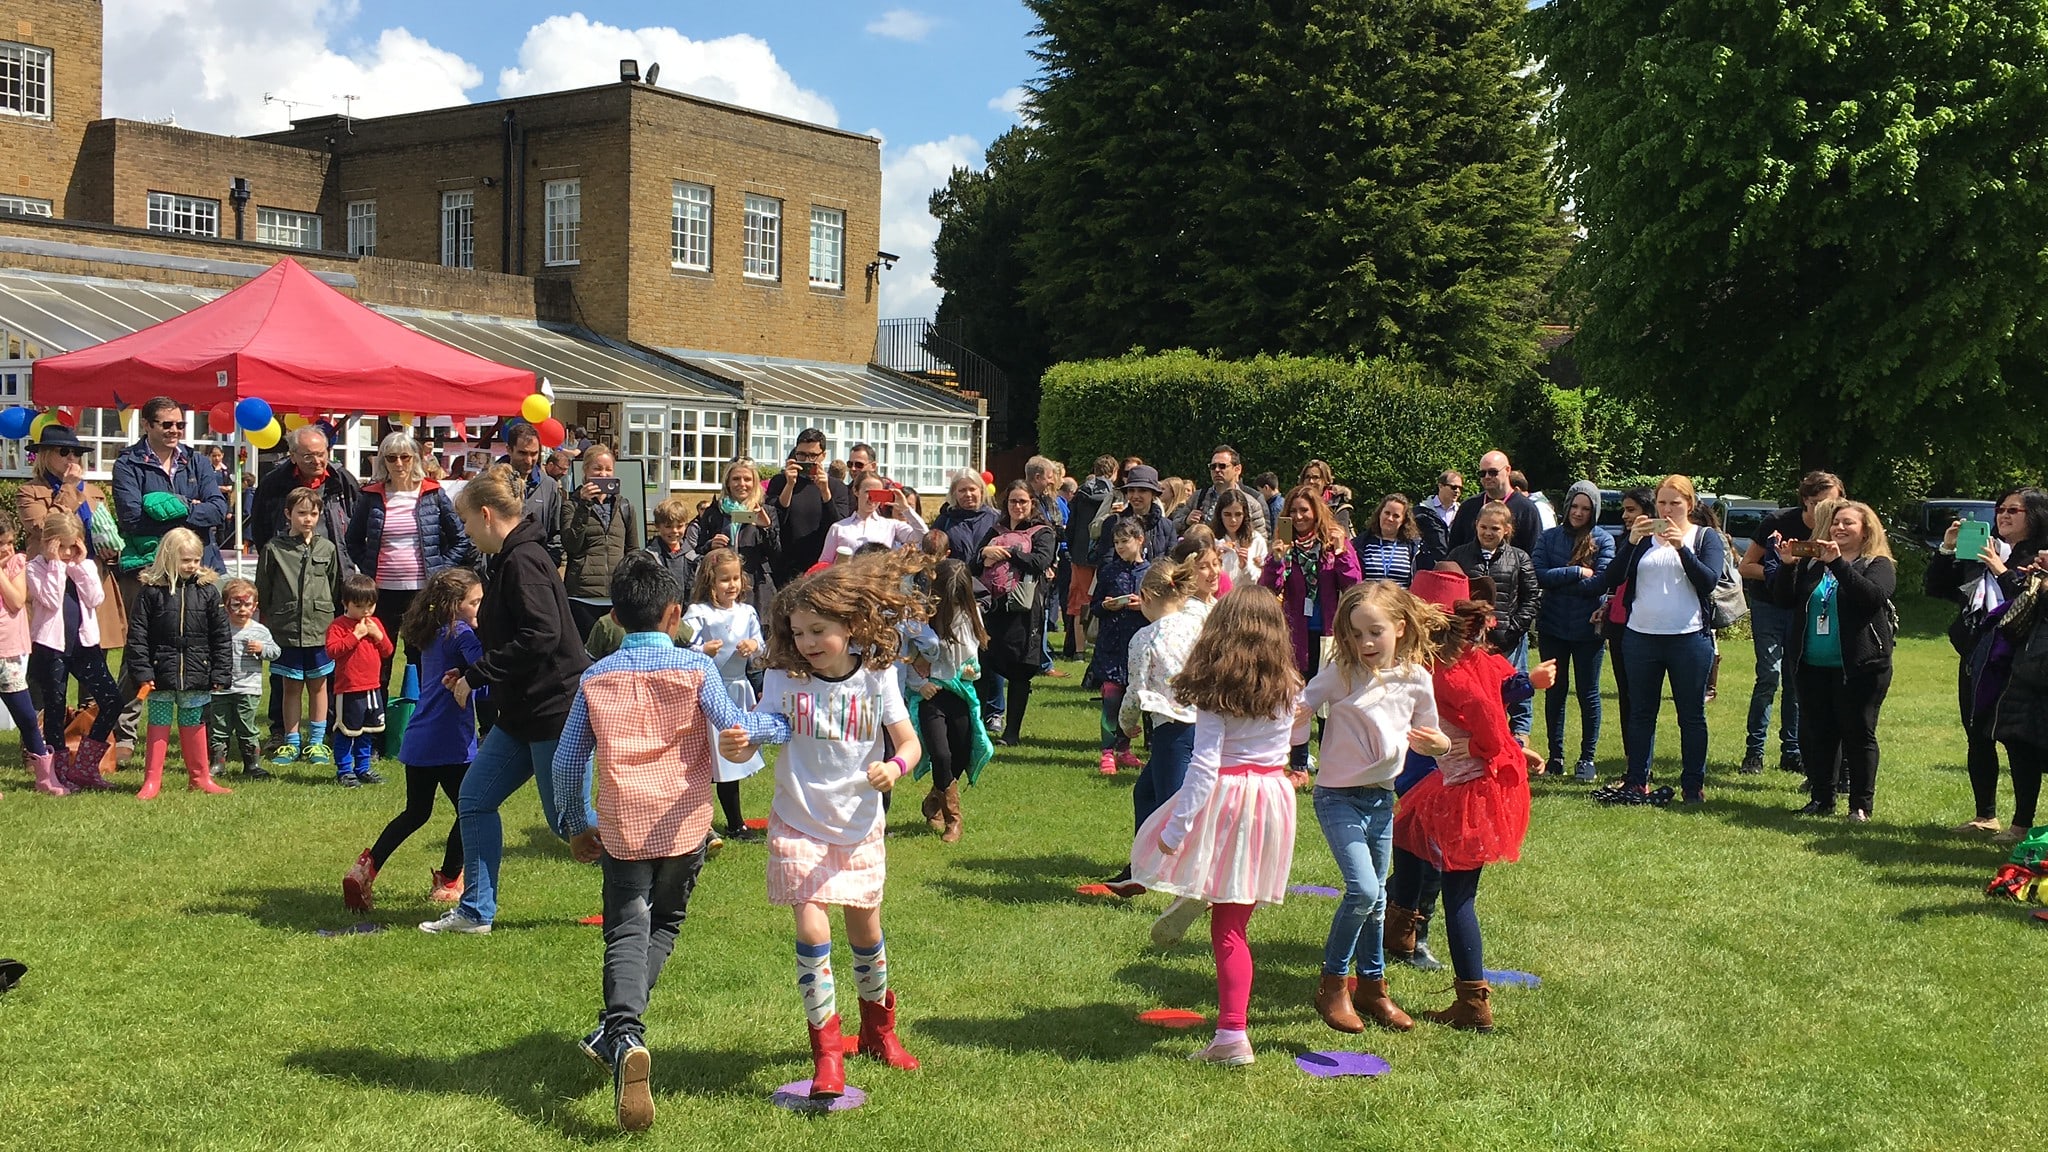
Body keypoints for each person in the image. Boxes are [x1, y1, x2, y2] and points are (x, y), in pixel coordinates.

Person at [552, 555, 793, 1132]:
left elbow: (566, 762)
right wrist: (780, 726)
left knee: (624, 930)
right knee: (665, 923)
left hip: (623, 828)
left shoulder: (594, 678)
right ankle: (620, 1031)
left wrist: (575, 823)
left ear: (614, 616)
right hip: (684, 826)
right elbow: (735, 725)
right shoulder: (696, 668)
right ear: (674, 614)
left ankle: (622, 1034)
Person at [718, 552, 926, 1100]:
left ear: (850, 624)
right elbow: (766, 726)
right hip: (798, 820)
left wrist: (895, 767)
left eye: (818, 630)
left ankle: (879, 1032)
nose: (807, 642)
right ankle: (828, 1055)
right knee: (813, 931)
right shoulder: (784, 679)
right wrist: (742, 740)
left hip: (858, 824)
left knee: (866, 934)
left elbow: (909, 742)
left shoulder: (877, 677)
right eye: (798, 632)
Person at [1128, 589, 1303, 1068]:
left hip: (1229, 795)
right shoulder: (1289, 685)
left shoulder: (1216, 690)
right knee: (1236, 907)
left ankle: (1231, 1036)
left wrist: (1176, 828)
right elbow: (1295, 737)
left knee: (1225, 924)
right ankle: (1203, 892)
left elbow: (1203, 767)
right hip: (1272, 798)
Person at [421, 465, 595, 935]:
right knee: (474, 799)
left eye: (466, 522)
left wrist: (479, 673)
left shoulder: (524, 561)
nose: (465, 532)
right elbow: (514, 633)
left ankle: (647, 883)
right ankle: (476, 913)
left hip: (553, 710)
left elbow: (542, 635)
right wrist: (472, 669)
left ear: (486, 514)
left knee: (569, 824)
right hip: (520, 713)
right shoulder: (510, 559)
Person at [1387, 569, 1545, 1032]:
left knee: (1459, 897)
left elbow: (1490, 734)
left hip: (1471, 791)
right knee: (1407, 830)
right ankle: (1400, 931)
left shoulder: (1451, 676)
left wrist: (1496, 750)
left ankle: (1472, 1003)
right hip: (1458, 781)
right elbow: (1497, 707)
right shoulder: (1463, 664)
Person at [1300, 581, 1449, 1034]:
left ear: (1400, 628)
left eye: (1375, 632)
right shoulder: (1342, 674)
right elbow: (1298, 706)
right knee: (1364, 891)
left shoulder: (1417, 678)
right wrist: (1286, 752)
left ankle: (1372, 987)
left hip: (1382, 799)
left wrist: (1439, 745)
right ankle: (1332, 984)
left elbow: (1433, 735)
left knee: (1379, 899)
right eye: (1356, 634)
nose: (1365, 643)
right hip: (1337, 797)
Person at [1926, 487, 2048, 837]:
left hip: (2018, 661)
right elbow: (1937, 588)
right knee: (1977, 734)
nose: (2003, 516)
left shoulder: (2038, 556)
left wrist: (1999, 568)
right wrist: (1947, 548)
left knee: (2018, 740)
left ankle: (2021, 823)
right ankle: (1985, 815)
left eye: (2013, 510)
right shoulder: (1983, 547)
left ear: (2035, 515)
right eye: (2000, 509)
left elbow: (2029, 603)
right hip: (1978, 655)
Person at [1766, 500, 1897, 822]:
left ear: (1865, 530)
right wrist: (1787, 566)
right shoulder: (1813, 564)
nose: (1839, 527)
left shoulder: (1877, 563)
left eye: (1848, 523)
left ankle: (1860, 805)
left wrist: (1838, 563)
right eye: (1836, 522)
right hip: (1812, 666)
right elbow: (1783, 599)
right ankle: (1821, 799)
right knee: (1819, 734)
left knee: (1858, 734)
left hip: (1860, 667)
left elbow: (1870, 598)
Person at [111, 397, 229, 757]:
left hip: (199, 570)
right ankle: (123, 735)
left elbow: (218, 510)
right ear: (147, 425)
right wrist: (190, 508)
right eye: (167, 424)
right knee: (140, 648)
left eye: (180, 424)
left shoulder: (197, 461)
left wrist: (170, 506)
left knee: (202, 648)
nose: (175, 430)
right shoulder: (128, 463)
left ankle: (206, 741)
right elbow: (131, 516)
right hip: (148, 570)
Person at [1604, 475, 1726, 804]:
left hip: (1689, 638)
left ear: (1690, 504)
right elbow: (1612, 578)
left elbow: (1708, 581)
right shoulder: (1642, 538)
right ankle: (1636, 780)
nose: (1667, 509)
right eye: (1662, 503)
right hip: (1641, 636)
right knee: (1641, 713)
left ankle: (1692, 785)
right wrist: (1631, 542)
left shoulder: (1704, 537)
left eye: (1675, 503)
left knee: (1691, 715)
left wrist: (1681, 547)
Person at [1102, 559, 1206, 894]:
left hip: (1173, 730)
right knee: (1146, 793)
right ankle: (1141, 867)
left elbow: (1136, 690)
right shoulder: (1197, 623)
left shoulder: (1145, 637)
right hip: (1207, 724)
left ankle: (1192, 881)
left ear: (1145, 596)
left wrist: (1125, 724)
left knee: (1173, 806)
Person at [1739, 472, 1847, 776]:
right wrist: (1783, 573)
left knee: (1797, 680)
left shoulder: (1839, 527)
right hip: (1770, 605)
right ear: (1805, 501)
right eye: (1819, 503)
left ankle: (1792, 751)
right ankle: (1754, 752)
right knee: (1769, 675)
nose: (1827, 510)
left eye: (1834, 502)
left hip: (1807, 609)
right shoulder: (1778, 521)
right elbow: (1746, 566)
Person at [17, 425, 127, 723]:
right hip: (50, 585)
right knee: (47, 669)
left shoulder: (92, 491)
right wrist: (67, 489)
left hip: (88, 581)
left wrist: (111, 551)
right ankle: (41, 739)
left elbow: (105, 531)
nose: (71, 458)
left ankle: (88, 737)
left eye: (76, 452)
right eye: (63, 451)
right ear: (44, 454)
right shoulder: (30, 492)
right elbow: (45, 529)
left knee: (93, 659)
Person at [346, 431, 472, 686]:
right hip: (382, 592)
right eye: (392, 458)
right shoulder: (371, 496)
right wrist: (369, 566)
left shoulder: (433, 493)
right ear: (383, 460)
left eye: (405, 457)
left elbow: (460, 538)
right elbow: (352, 540)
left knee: (423, 657)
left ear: (415, 458)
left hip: (422, 592)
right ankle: (377, 710)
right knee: (380, 658)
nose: (399, 464)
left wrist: (440, 570)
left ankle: (425, 709)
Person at [126, 527, 234, 800]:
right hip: (160, 670)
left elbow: (221, 636)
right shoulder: (150, 592)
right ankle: (152, 780)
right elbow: (137, 635)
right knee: (158, 723)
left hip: (197, 671)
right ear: (168, 557)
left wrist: (220, 671)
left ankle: (200, 777)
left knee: (194, 722)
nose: (192, 565)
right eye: (186, 560)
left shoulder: (208, 592)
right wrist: (142, 671)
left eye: (196, 559)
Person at [1261, 485, 1363, 773]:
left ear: (1316, 511)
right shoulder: (1284, 546)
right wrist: (1276, 561)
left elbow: (1353, 584)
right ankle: (1298, 764)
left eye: (1304, 510)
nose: (1298, 517)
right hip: (1296, 635)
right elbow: (1267, 589)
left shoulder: (1334, 543)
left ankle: (1331, 762)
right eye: (1293, 511)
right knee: (1296, 698)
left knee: (1331, 700)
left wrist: (1341, 553)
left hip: (1329, 634)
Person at [27, 516, 121, 792]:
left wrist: (79, 567)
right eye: (62, 547)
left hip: (84, 646)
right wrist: (56, 565)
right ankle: (58, 772)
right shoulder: (35, 568)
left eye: (72, 546)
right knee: (55, 707)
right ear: (48, 543)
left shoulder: (85, 565)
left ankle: (85, 767)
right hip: (51, 647)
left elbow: (95, 598)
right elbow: (50, 600)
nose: (67, 553)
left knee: (112, 700)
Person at [1531, 481, 1615, 780]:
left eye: (1586, 508)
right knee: (1554, 692)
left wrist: (1561, 582)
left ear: (1594, 511)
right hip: (1552, 626)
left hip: (1587, 630)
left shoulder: (1603, 540)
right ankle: (1555, 757)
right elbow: (1539, 575)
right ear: (1566, 506)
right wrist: (1576, 571)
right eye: (1575, 506)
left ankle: (1587, 759)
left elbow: (1600, 583)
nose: (1578, 513)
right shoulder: (1549, 537)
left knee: (1588, 693)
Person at [684, 548, 768, 843]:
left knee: (730, 759)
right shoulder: (699, 613)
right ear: (710, 581)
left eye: (735, 578)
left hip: (736, 690)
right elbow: (683, 645)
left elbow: (760, 645)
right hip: (707, 692)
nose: (732, 585)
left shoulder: (746, 612)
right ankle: (699, 823)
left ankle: (735, 823)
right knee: (705, 761)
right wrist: (702, 650)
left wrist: (753, 646)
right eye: (724, 579)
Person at [257, 487, 342, 770]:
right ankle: (291, 741)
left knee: (319, 686)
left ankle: (316, 741)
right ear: (288, 514)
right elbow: (264, 590)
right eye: (301, 513)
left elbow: (334, 586)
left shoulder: (327, 548)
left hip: (319, 629)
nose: (308, 519)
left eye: (313, 513)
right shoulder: (274, 549)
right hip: (287, 630)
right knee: (290, 687)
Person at [907, 558, 988, 843]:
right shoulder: (921, 616)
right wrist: (920, 685)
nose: (953, 603)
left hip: (961, 692)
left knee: (962, 753)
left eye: (958, 597)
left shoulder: (971, 615)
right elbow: (906, 658)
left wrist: (972, 671)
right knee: (941, 754)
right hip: (931, 694)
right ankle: (953, 819)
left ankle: (935, 796)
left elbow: (973, 661)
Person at [974, 481, 1058, 745]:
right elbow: (973, 566)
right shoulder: (995, 530)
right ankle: (977, 730)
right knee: (983, 668)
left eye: (1023, 501)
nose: (1018, 506)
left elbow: (1040, 561)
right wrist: (984, 553)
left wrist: (1009, 552)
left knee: (1020, 671)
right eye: (1013, 501)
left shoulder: (1043, 532)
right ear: (1005, 503)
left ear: (1032, 503)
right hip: (992, 609)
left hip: (1024, 612)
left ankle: (1012, 733)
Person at [1084, 521, 1150, 775]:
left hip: (1139, 645)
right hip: (1111, 644)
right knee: (1111, 699)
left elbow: (1162, 609)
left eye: (1125, 541)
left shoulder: (1151, 573)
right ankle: (1107, 752)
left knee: (1132, 701)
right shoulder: (1108, 571)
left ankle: (1124, 749)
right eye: (1116, 542)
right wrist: (1106, 605)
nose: (1120, 547)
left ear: (1140, 540)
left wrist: (1142, 605)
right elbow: (1094, 606)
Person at [0, 516, 58, 795]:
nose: (7, 549)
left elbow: (15, 600)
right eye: (1, 544)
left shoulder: (16, 563)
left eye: (10, 542)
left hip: (9, 651)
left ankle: (45, 777)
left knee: (25, 715)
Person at [563, 445, 643, 640]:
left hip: (616, 598)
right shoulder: (571, 505)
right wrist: (584, 505)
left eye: (608, 469)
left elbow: (633, 550)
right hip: (583, 596)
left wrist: (629, 586)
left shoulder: (624, 506)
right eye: (597, 469)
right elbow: (571, 545)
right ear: (585, 471)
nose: (603, 474)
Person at [687, 458, 781, 622]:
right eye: (736, 479)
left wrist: (766, 528)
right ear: (728, 483)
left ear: (754, 482)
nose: (742, 484)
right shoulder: (714, 512)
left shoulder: (767, 511)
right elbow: (698, 549)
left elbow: (776, 554)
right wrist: (710, 545)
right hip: (720, 586)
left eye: (747, 479)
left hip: (755, 588)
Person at [249, 424, 361, 557]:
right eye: (308, 456)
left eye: (321, 454)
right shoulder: (273, 483)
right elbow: (260, 528)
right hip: (288, 563)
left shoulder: (343, 480)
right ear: (293, 456)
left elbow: (359, 524)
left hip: (335, 563)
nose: (316, 461)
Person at [325, 574, 395, 785]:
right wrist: (355, 636)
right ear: (345, 603)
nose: (365, 611)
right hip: (349, 689)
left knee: (368, 730)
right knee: (347, 731)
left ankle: (363, 768)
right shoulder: (338, 626)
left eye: (370, 606)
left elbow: (388, 651)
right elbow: (332, 651)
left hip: (372, 687)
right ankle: (344, 770)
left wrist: (377, 635)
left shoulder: (375, 623)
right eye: (359, 606)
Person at [209, 577, 278, 781]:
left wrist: (262, 649)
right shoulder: (219, 628)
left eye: (247, 604)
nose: (242, 609)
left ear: (255, 606)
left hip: (248, 688)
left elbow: (276, 652)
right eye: (236, 605)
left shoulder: (260, 630)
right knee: (219, 727)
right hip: (220, 688)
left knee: (246, 727)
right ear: (226, 605)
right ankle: (218, 763)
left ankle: (252, 764)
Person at [765, 428, 853, 586]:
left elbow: (839, 526)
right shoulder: (780, 481)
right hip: (785, 563)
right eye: (801, 455)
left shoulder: (837, 487)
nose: (806, 460)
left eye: (813, 456)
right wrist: (789, 486)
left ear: (823, 455)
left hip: (821, 565)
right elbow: (774, 519)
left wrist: (825, 492)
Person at [1063, 456, 1120, 658]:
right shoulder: (1115, 495)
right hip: (1106, 553)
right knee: (1106, 598)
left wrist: (1072, 551)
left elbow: (1071, 526)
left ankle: (1078, 650)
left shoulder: (1080, 493)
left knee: (1080, 602)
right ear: (1114, 472)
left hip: (1080, 554)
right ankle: (1099, 647)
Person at [1447, 450, 1542, 552]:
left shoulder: (1526, 509)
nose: (1487, 477)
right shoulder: (1468, 507)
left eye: (1493, 472)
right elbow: (1453, 551)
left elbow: (1534, 552)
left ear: (1507, 470)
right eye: (1482, 473)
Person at [501, 423, 565, 566]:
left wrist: (548, 566)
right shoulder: (491, 483)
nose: (528, 460)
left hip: (535, 569)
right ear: (509, 450)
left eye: (534, 454)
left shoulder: (549, 486)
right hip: (499, 568)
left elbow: (555, 534)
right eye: (522, 453)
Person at [821, 474, 922, 559]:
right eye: (868, 492)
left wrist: (906, 509)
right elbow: (824, 562)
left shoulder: (891, 525)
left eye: (877, 493)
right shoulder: (838, 528)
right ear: (856, 491)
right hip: (848, 576)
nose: (871, 498)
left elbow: (922, 536)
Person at [1177, 444, 1270, 538]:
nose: (1217, 470)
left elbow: (1261, 539)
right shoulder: (1198, 497)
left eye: (1222, 466)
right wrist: (1186, 521)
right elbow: (1174, 526)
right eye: (1213, 467)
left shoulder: (1252, 502)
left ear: (1237, 469)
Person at [1355, 494, 1425, 588]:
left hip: (1400, 597)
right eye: (1387, 513)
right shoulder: (1361, 544)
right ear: (1380, 514)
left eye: (1396, 516)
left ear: (1403, 520)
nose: (1390, 519)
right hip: (1368, 596)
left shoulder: (1414, 547)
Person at [1212, 488, 1270, 592]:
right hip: (1219, 598)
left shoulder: (1256, 540)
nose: (1233, 520)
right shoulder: (1212, 540)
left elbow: (1262, 581)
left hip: (1247, 597)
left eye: (1238, 514)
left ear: (1245, 514)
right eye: (1227, 514)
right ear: (1220, 515)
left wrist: (1246, 567)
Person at [644, 496, 697, 592]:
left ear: (686, 526)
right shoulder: (649, 558)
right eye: (668, 526)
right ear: (657, 526)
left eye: (679, 526)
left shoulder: (693, 558)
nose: (674, 531)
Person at [1298, 460, 1354, 534]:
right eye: (1307, 477)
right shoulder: (1296, 503)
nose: (1311, 481)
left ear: (1325, 480)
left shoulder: (1337, 505)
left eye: (1316, 477)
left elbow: (1342, 534)